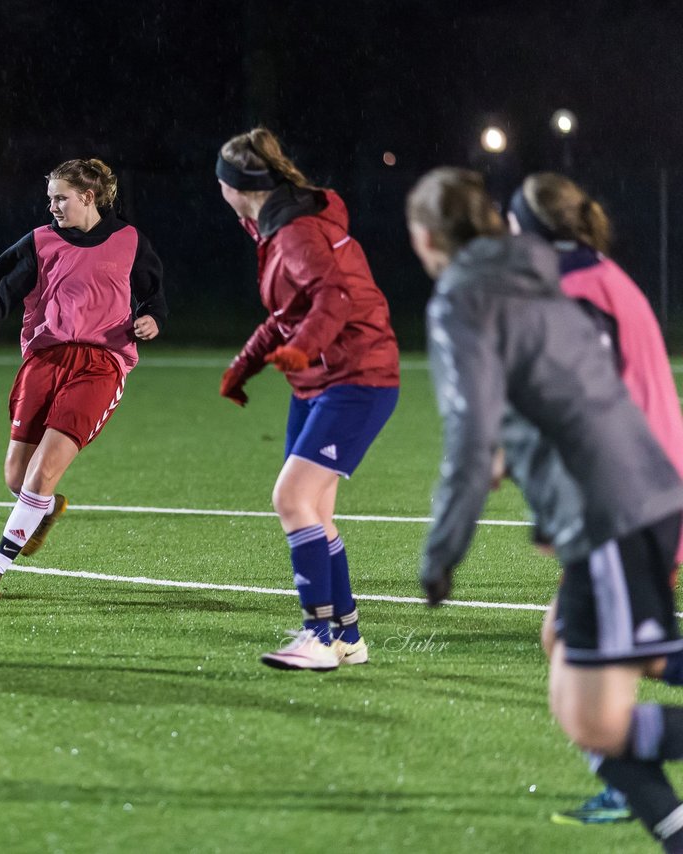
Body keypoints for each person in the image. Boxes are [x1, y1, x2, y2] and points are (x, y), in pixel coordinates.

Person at [408, 166, 683, 852]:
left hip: (616, 506)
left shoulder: (474, 299)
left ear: (425, 236)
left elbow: (474, 438)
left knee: (594, 714)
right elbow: (570, 394)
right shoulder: (546, 275)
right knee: (585, 672)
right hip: (629, 494)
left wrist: (443, 554)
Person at [506, 172, 683, 826]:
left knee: (599, 710)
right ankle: (647, 800)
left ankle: (636, 786)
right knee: (569, 645)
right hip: (643, 493)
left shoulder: (576, 293)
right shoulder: (597, 275)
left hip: (627, 503)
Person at [0, 158, 166, 600]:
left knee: (40, 475)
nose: (53, 207)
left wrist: (152, 318)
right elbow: (1, 292)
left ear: (89, 197)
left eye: (60, 198)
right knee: (16, 477)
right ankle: (46, 510)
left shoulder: (128, 240)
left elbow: (153, 292)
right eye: (50, 199)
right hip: (45, 361)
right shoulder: (41, 243)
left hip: (101, 364)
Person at [215, 127, 400, 671]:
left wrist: (301, 349)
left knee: (291, 500)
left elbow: (332, 299)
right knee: (315, 510)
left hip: (357, 379)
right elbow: (287, 314)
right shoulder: (276, 226)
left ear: (236, 186)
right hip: (322, 383)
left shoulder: (294, 230)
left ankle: (317, 636)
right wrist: (242, 367)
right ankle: (345, 636)